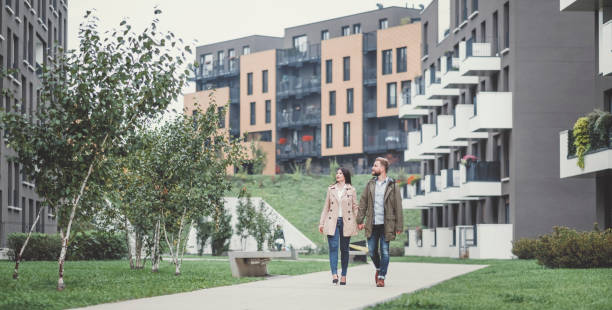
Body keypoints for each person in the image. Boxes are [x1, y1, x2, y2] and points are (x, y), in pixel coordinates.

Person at [357, 157, 403, 287]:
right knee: (372, 251)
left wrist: (399, 225)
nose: (373, 168)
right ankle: (378, 268)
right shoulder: (370, 184)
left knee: (385, 251)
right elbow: (363, 203)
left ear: (382, 168)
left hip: (387, 224)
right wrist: (359, 220)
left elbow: (398, 206)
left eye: (375, 165)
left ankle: (382, 277)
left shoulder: (393, 185)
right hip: (372, 223)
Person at [319, 167, 359, 285]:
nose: (338, 175)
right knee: (333, 248)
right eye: (337, 173)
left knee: (344, 250)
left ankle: (344, 275)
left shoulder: (351, 190)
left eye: (340, 173)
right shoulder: (331, 189)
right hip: (332, 222)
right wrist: (321, 223)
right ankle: (334, 274)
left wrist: (360, 221)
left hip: (347, 222)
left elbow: (355, 207)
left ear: (345, 175)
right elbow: (326, 207)